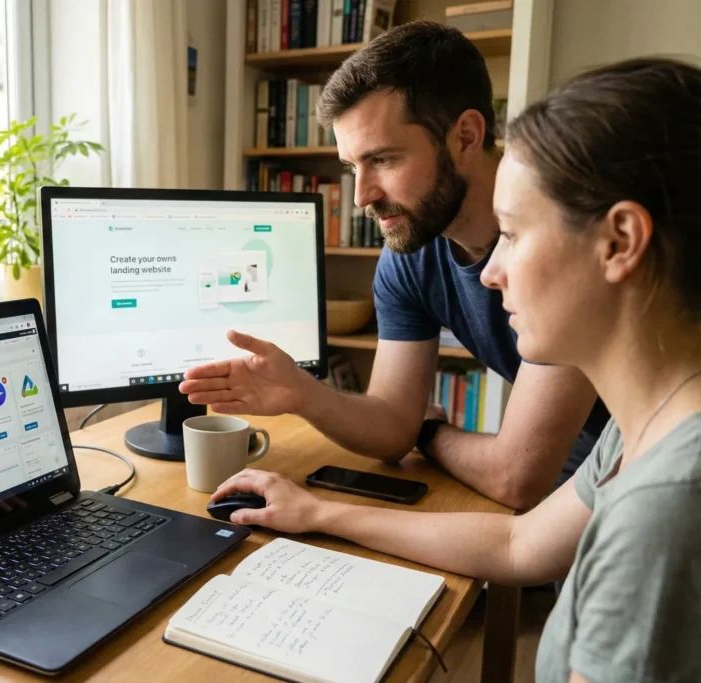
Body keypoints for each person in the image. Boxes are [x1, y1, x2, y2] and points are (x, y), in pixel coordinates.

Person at [208, 57, 701, 683]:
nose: (491, 274)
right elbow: (516, 544)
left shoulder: (663, 511)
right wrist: (318, 511)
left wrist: (426, 430)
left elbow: (518, 480)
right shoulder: (637, 436)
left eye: (516, 235)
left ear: (621, 242)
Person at [180, 21, 609, 510]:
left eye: (382, 159)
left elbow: (515, 476)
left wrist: (428, 431)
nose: (362, 196)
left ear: (466, 137)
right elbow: (390, 423)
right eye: (351, 167)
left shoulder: (563, 234)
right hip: (580, 472)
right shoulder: (412, 253)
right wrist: (303, 393)